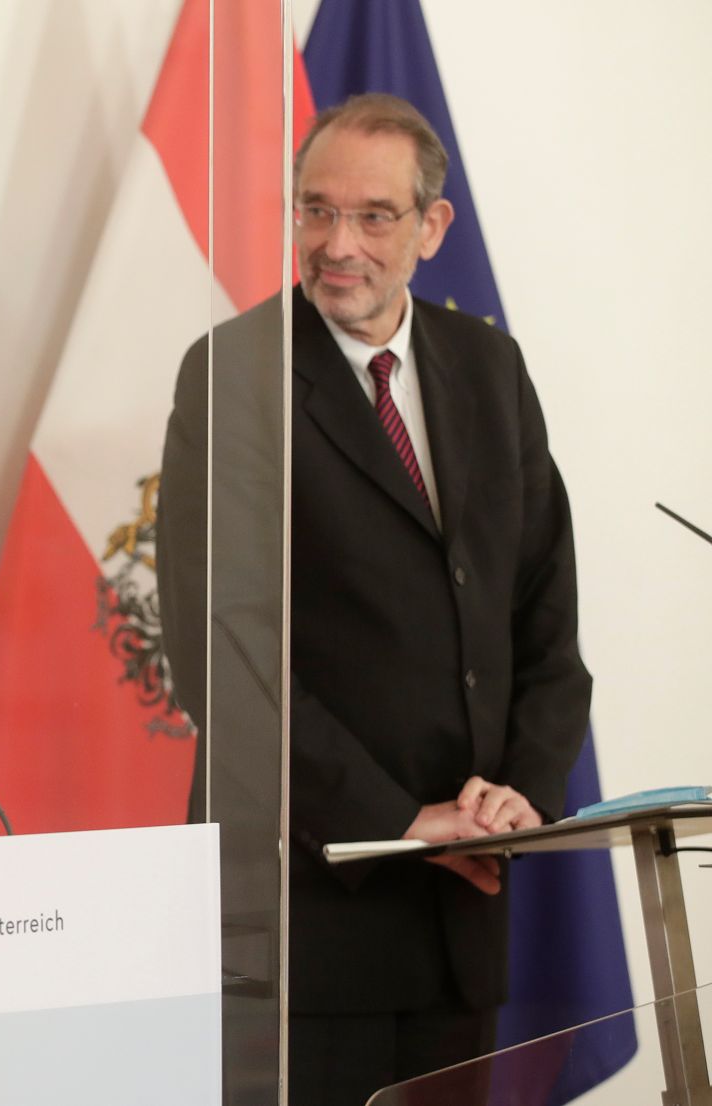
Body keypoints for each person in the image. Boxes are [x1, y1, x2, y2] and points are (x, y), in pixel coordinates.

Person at [157, 94, 591, 1106]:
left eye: (371, 215)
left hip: (462, 911)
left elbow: (543, 622)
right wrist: (398, 820)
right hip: (308, 923)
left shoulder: (488, 366)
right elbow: (220, 655)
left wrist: (515, 796)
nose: (334, 244)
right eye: (313, 210)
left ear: (431, 227)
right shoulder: (233, 374)